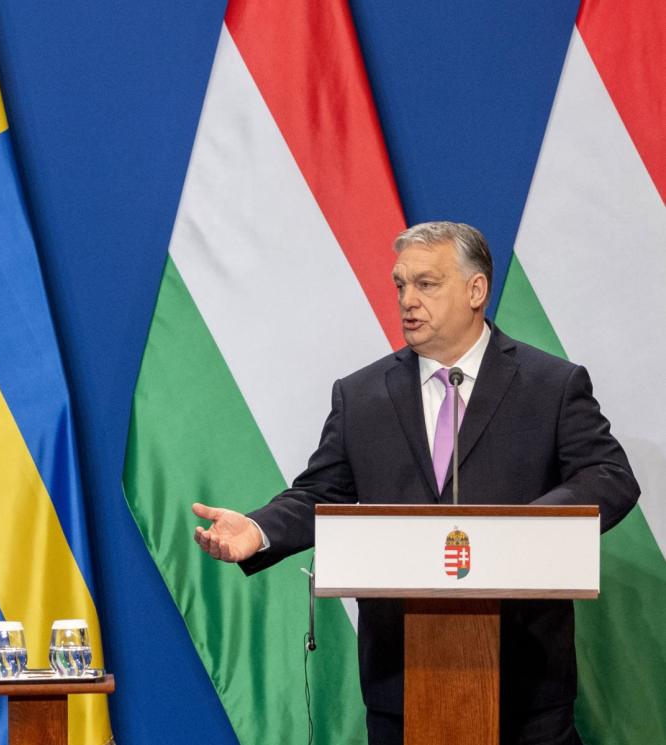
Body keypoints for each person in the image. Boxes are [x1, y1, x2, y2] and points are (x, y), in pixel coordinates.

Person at [192, 222, 638, 745]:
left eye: (427, 284)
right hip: (400, 682)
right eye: (401, 285)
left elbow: (608, 477)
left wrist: (527, 529)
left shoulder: (553, 385)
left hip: (527, 681)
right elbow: (319, 493)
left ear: (476, 291)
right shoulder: (360, 395)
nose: (408, 300)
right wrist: (259, 529)